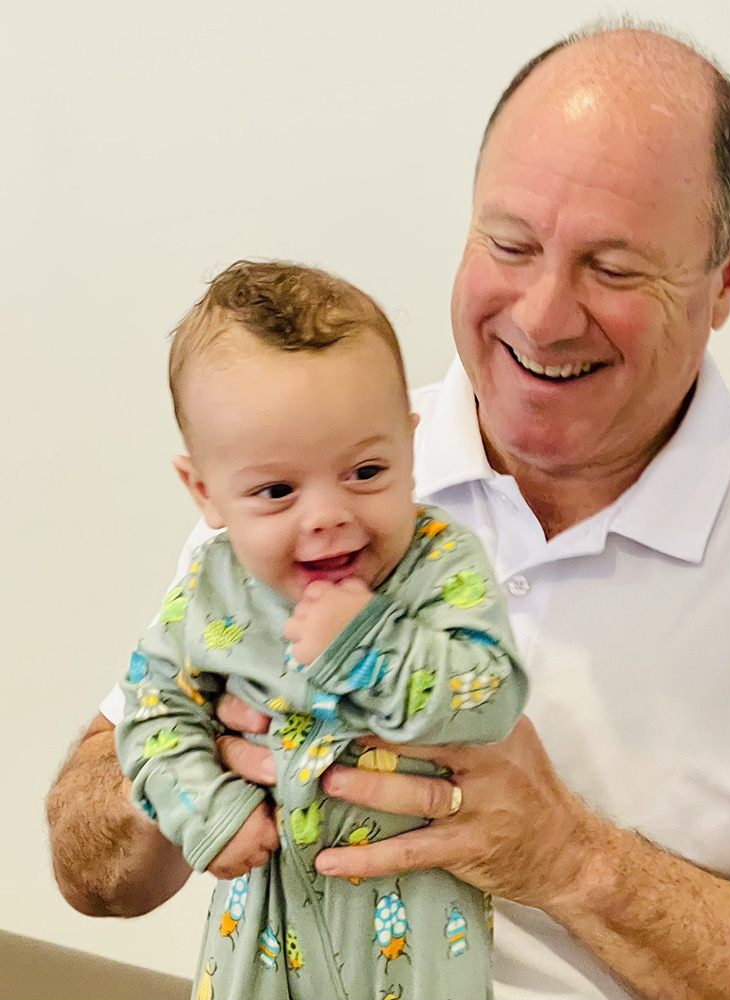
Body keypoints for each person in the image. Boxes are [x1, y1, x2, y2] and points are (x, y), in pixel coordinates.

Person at [46, 19, 730, 1000]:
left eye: (611, 269)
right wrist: (180, 776)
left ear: (725, 275)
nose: (539, 314)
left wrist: (570, 860)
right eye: (510, 243)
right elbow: (85, 858)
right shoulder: (314, 482)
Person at [112, 259, 527, 999]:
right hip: (262, 927)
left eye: (366, 471)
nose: (328, 514)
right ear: (204, 491)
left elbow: (490, 692)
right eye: (276, 490)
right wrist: (208, 805)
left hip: (417, 933)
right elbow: (151, 709)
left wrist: (365, 643)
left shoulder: (441, 564)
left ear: (410, 444)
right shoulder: (214, 589)